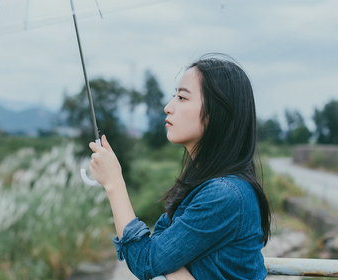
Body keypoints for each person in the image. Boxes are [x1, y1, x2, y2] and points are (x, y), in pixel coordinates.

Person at [88, 55, 271, 280]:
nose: (168, 107)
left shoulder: (225, 195)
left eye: (182, 97)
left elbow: (146, 260)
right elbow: (156, 252)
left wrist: (114, 183)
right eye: (174, 96)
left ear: (217, 112)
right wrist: (170, 265)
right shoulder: (206, 183)